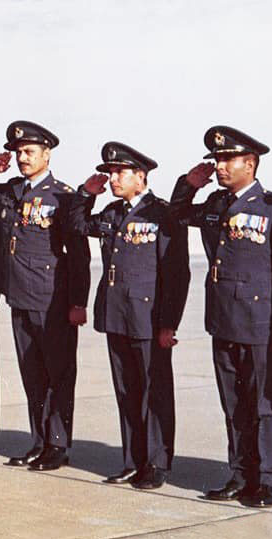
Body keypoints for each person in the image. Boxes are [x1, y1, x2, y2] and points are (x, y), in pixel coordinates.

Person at [169, 126, 272, 508]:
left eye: (228, 159)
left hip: (260, 321)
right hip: (223, 318)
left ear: (250, 163)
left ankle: (269, 482)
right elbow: (176, 216)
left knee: (263, 405)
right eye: (217, 160)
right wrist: (188, 185)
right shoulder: (214, 203)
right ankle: (241, 476)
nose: (220, 166)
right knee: (233, 403)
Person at [0, 120, 91, 471]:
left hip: (52, 300)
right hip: (19, 296)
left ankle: (58, 445)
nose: (22, 158)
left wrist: (78, 302)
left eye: (29, 152)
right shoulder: (10, 191)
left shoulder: (63, 196)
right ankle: (39, 442)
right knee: (32, 376)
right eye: (19, 152)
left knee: (58, 376)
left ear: (47, 155)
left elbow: (79, 254)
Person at [70, 142, 190, 489]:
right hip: (117, 315)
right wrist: (85, 195)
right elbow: (77, 225)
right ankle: (132, 461)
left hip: (149, 318)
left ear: (140, 176)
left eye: (119, 172)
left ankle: (157, 463)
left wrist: (169, 323)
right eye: (109, 173)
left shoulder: (162, 214)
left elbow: (176, 273)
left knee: (155, 393)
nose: (112, 179)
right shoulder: (111, 212)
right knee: (127, 392)